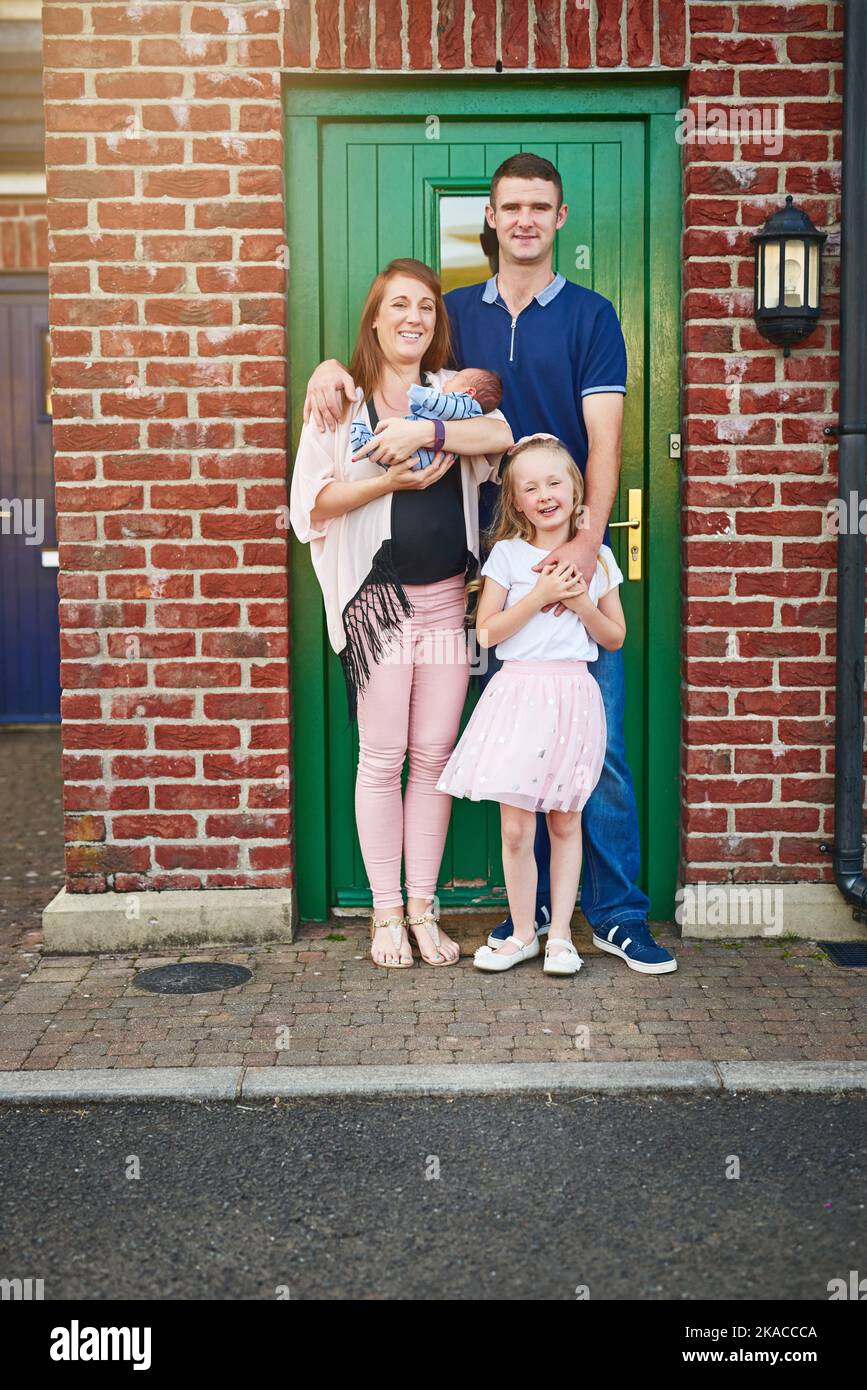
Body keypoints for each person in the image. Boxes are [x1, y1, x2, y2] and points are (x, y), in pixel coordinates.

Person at [304, 152, 676, 975]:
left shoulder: (589, 316)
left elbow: (604, 443)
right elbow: (390, 369)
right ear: (492, 219)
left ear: (560, 217)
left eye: (539, 207)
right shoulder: (457, 318)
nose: (524, 221)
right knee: (496, 746)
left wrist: (584, 545)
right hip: (480, 570)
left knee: (595, 749)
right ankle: (519, 919)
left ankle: (613, 915)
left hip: (568, 555)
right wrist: (329, 372)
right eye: (511, 207)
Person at [289, 258, 512, 969]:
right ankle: (385, 915)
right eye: (398, 307)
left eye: (425, 306)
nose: (412, 317)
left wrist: (425, 433)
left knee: (434, 759)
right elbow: (310, 507)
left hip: (448, 605)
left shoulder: (450, 393)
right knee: (382, 759)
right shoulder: (340, 402)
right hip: (377, 608)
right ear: (376, 320)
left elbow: (500, 434)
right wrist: (381, 480)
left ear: (434, 322)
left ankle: (424, 909)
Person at [437, 436, 624, 976]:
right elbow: (489, 630)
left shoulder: (599, 557)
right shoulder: (509, 556)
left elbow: (613, 637)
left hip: (572, 696)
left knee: (566, 822)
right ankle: (522, 932)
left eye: (555, 483)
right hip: (519, 697)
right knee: (517, 827)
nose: (545, 494)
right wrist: (539, 597)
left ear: (575, 489)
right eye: (530, 487)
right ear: (517, 501)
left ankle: (561, 938)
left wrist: (581, 601)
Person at [350, 367, 503, 471]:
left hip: (427, 455)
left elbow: (442, 404)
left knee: (397, 454)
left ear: (469, 391)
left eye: (455, 378)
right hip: (427, 456)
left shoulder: (464, 404)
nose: (447, 381)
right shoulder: (468, 411)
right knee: (393, 454)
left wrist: (418, 393)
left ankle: (366, 445)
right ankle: (368, 445)